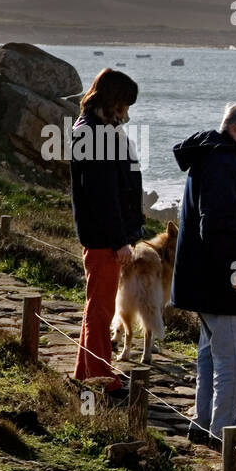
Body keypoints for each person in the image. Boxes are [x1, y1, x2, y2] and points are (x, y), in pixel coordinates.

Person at [171, 103, 236, 458]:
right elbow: (217, 226)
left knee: (210, 355)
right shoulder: (222, 164)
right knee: (232, 358)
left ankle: (203, 425)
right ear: (234, 130)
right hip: (219, 281)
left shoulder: (212, 157)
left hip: (201, 278)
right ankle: (223, 433)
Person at [69, 68, 144, 403]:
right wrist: (120, 240)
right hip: (103, 237)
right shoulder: (93, 134)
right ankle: (102, 377)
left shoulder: (95, 129)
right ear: (114, 100)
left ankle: (88, 373)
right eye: (125, 103)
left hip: (101, 234)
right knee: (100, 308)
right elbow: (102, 195)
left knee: (97, 306)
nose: (127, 111)